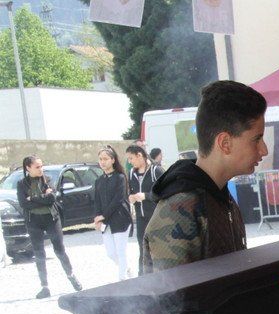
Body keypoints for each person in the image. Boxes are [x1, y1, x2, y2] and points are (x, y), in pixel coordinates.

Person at [143, 80, 266, 273]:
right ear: (225, 143)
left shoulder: (221, 197)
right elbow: (171, 292)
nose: (264, 150)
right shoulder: (179, 210)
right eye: (257, 139)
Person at [16, 156, 82, 298]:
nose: (41, 169)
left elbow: (52, 199)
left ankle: (71, 276)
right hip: (33, 221)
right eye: (37, 167)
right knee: (39, 254)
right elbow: (23, 203)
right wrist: (42, 198)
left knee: (60, 250)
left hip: (51, 219)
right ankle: (44, 287)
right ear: (28, 168)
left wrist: (33, 198)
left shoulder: (47, 179)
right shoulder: (21, 184)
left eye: (41, 166)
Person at [92, 146, 133, 281]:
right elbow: (97, 201)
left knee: (121, 251)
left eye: (106, 159)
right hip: (105, 222)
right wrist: (98, 218)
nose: (102, 162)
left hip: (120, 219)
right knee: (110, 253)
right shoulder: (99, 180)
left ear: (113, 160)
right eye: (100, 159)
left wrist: (104, 215)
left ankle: (122, 280)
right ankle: (126, 268)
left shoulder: (120, 177)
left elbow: (118, 199)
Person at [125, 143, 164, 275]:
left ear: (139, 155)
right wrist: (131, 197)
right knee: (143, 249)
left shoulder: (156, 170)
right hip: (140, 218)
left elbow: (165, 192)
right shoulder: (131, 173)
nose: (129, 162)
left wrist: (146, 196)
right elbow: (130, 191)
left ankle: (163, 277)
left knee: (158, 248)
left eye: (131, 158)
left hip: (157, 217)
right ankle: (143, 278)